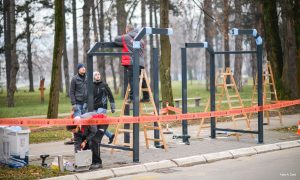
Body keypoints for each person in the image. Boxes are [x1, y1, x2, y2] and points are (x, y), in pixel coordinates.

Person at [114, 24, 149, 102]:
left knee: (132, 80)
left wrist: (124, 35)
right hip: (141, 63)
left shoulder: (126, 37)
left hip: (132, 62)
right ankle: (146, 97)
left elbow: (116, 40)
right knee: (142, 80)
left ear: (127, 29)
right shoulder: (141, 39)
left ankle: (133, 98)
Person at [93, 71, 116, 144]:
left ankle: (97, 140)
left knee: (98, 124)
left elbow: (110, 96)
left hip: (102, 107)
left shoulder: (104, 85)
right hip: (94, 107)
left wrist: (113, 107)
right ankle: (110, 135)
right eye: (96, 75)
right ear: (93, 77)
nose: (97, 76)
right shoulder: (91, 85)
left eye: (98, 74)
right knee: (96, 125)